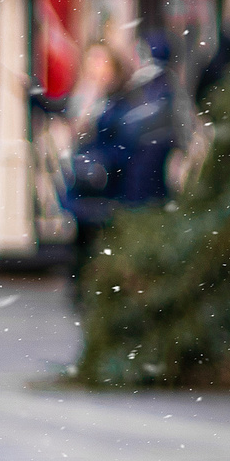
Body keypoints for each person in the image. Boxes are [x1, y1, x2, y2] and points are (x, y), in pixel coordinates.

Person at [65, 36, 176, 295]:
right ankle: (88, 286)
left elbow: (123, 143)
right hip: (92, 182)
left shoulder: (123, 100)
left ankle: (96, 287)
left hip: (111, 184)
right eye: (91, 64)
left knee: (97, 241)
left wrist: (98, 161)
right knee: (85, 239)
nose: (96, 71)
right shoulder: (89, 98)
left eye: (101, 63)